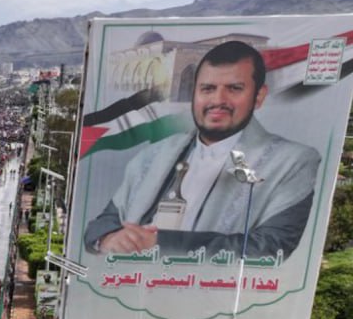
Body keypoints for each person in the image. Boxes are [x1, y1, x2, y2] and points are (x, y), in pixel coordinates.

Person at [84, 40, 320, 259]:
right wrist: (110, 238)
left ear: (258, 97)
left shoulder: (292, 161)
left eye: (234, 88)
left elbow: (270, 247)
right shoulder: (154, 155)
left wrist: (160, 243)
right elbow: (102, 223)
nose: (218, 100)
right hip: (133, 291)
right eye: (207, 89)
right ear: (194, 95)